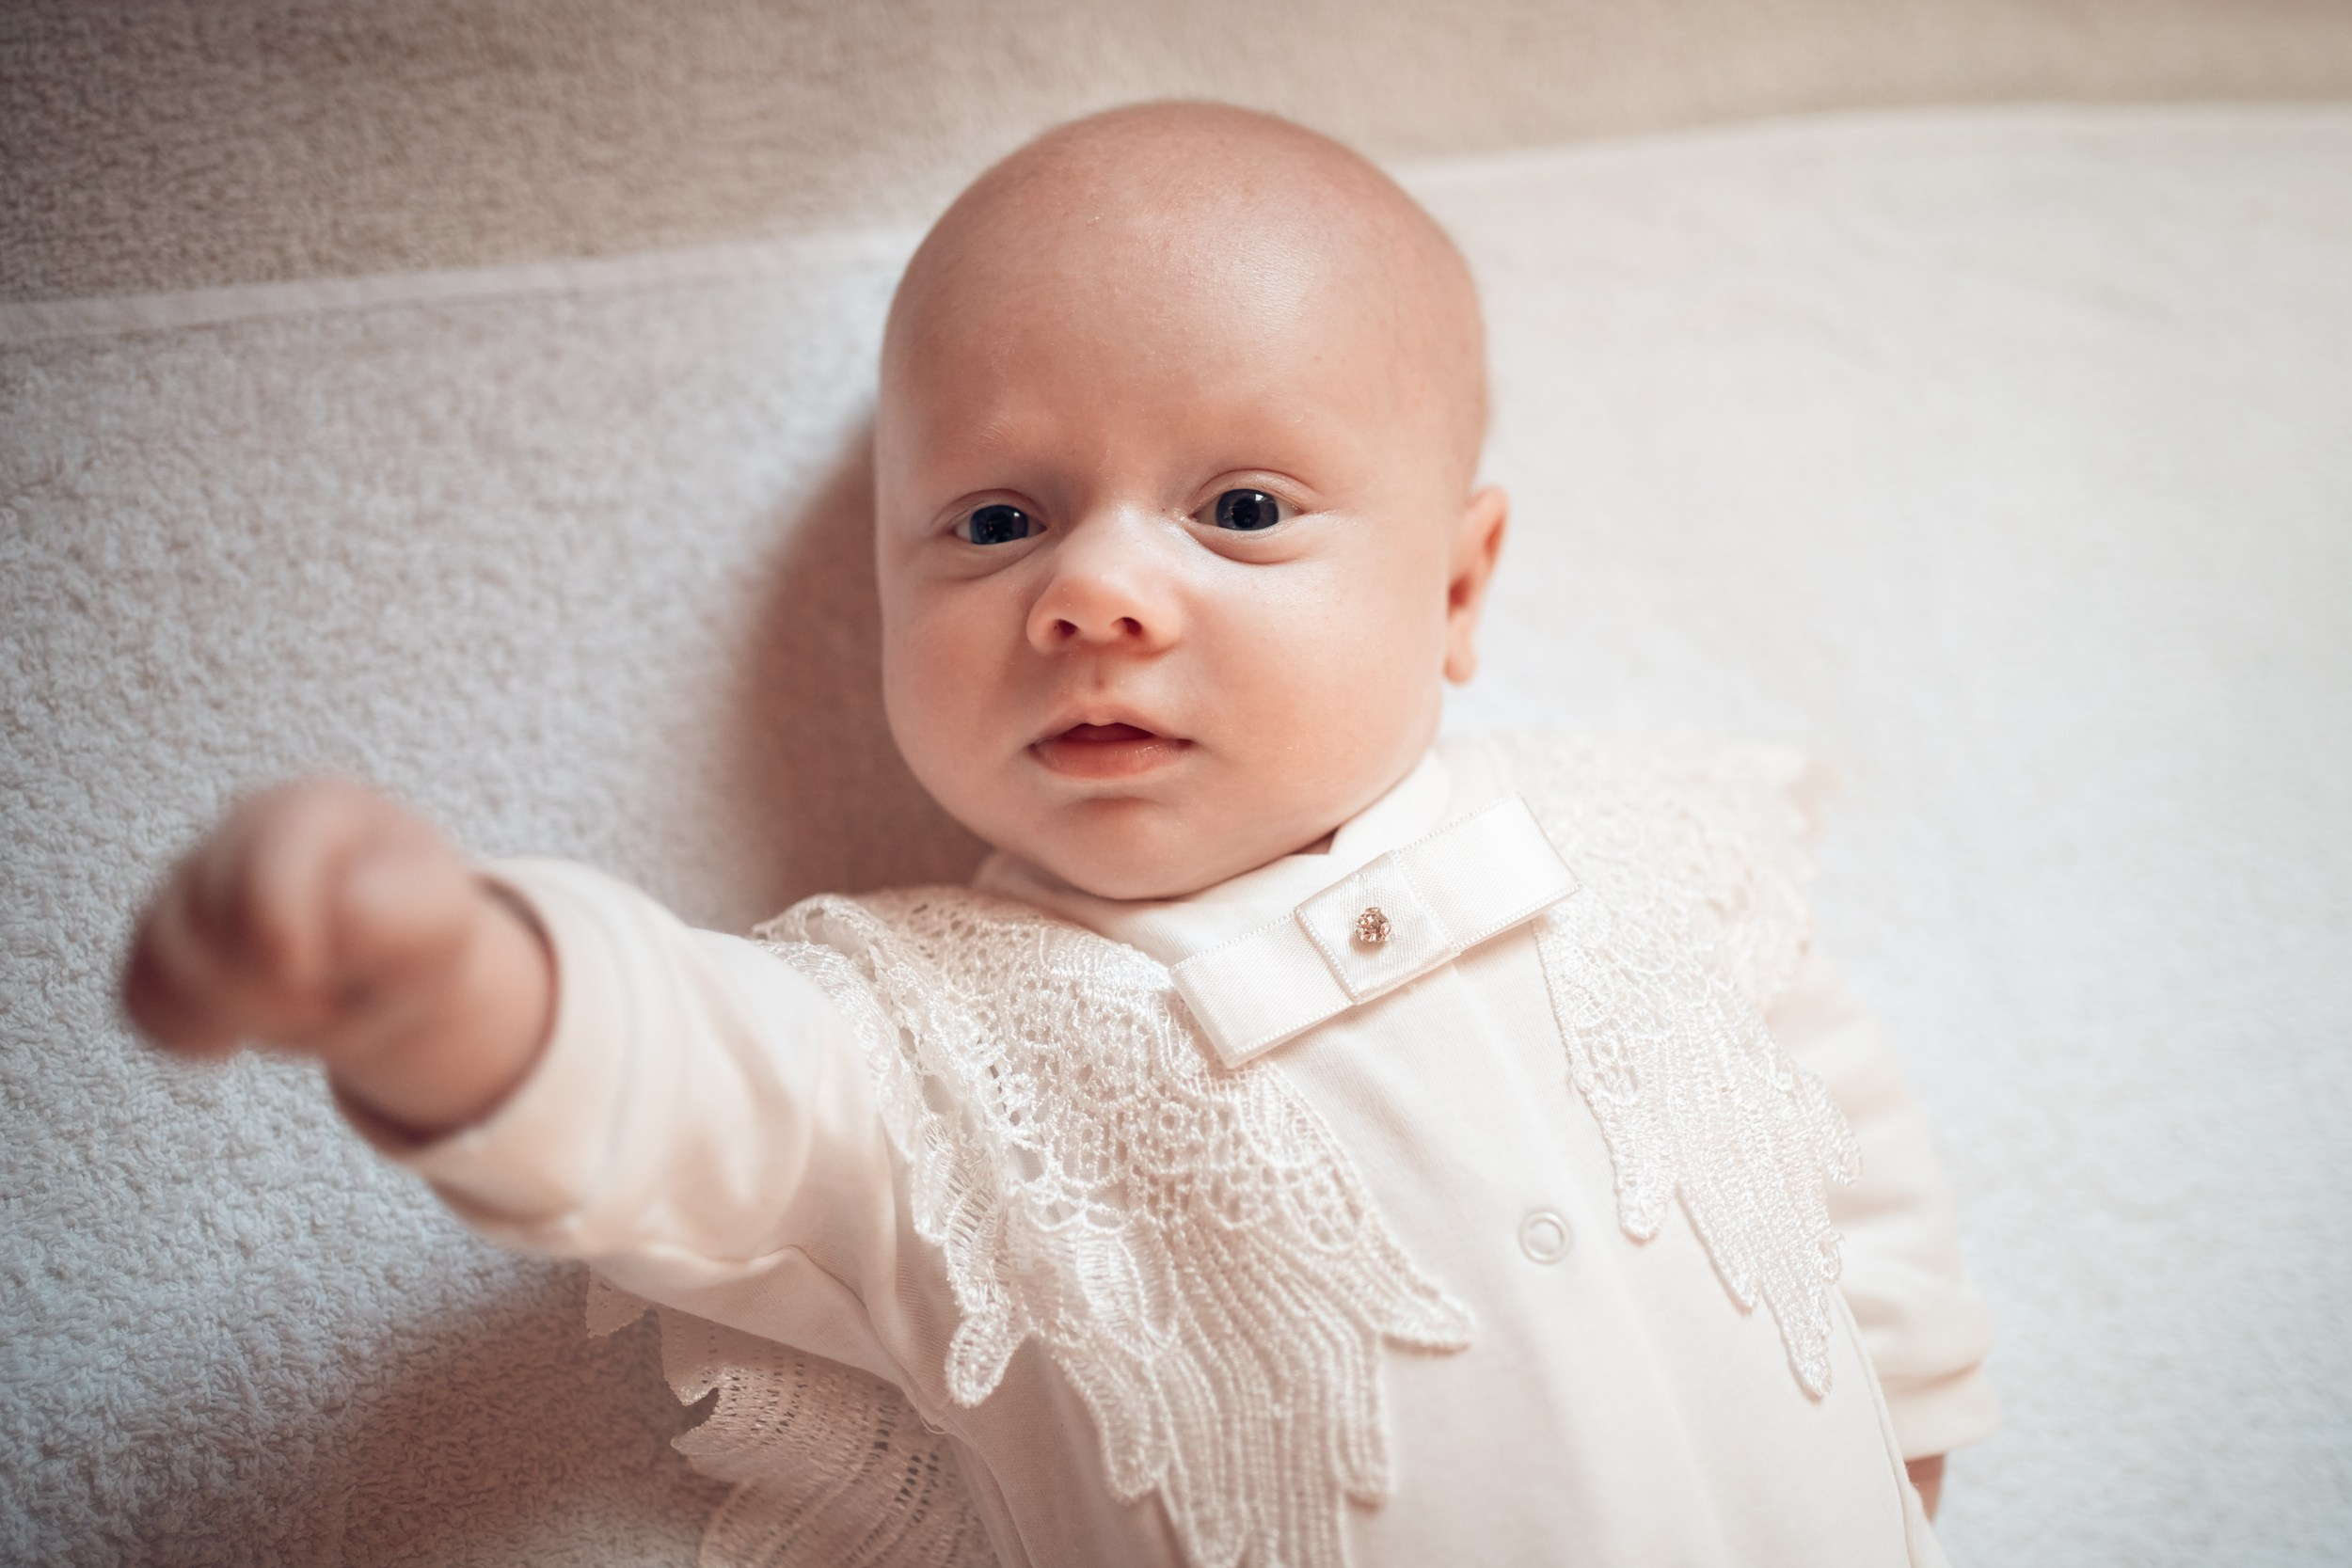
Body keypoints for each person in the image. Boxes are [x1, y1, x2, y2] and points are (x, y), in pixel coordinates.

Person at [121, 102, 1994, 1568]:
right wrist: (446, 973)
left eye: (1240, 508)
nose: (1095, 590)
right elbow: (676, 1086)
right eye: (996, 522)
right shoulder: (919, 1046)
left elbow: (1826, 1135)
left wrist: (1903, 1440)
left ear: (1453, 588)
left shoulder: (1647, 835)